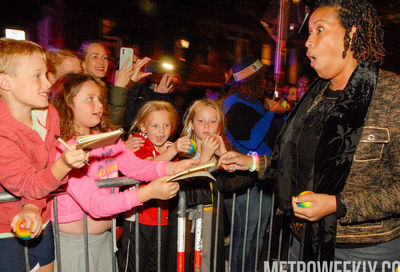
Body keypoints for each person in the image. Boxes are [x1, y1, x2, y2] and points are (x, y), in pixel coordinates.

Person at [219, 0, 400, 269]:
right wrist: (253, 163)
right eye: (309, 32)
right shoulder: (314, 98)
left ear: (349, 36)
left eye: (320, 30)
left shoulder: (392, 93)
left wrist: (337, 204)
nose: (307, 42)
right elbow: (296, 165)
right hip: (303, 243)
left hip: (366, 251)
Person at [50, 73, 197, 272]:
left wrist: (172, 167)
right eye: (90, 99)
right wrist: (147, 193)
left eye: (100, 98)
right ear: (67, 103)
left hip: (104, 239)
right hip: (73, 244)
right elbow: (95, 204)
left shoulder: (106, 138)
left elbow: (136, 167)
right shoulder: (64, 149)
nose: (100, 105)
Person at [0, 39, 88, 272]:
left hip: (41, 217)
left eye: (46, 74)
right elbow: (29, 182)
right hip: (4, 230)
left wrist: (32, 206)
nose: (48, 82)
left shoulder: (49, 114)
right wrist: (64, 164)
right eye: (37, 76)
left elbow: (46, 178)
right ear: (5, 81)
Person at [118, 100, 193, 272]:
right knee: (134, 266)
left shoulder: (168, 147)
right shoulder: (139, 142)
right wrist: (174, 149)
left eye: (166, 125)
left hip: (161, 219)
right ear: (143, 127)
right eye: (155, 126)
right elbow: (147, 168)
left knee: (156, 265)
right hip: (137, 219)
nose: (161, 131)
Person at [222, 56, 278, 272]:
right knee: (244, 237)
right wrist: (271, 112)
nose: (266, 82)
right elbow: (252, 139)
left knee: (257, 236)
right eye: (262, 78)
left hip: (262, 176)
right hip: (244, 181)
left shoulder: (255, 103)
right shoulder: (233, 104)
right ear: (255, 80)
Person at [167, 98, 227, 271]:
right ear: (191, 124)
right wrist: (204, 159)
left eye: (212, 121)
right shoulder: (183, 151)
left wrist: (224, 155)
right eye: (201, 121)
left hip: (212, 214)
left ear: (219, 126)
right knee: (187, 259)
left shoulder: (221, 151)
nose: (207, 126)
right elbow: (189, 185)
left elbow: (235, 182)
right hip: (186, 217)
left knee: (208, 259)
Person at [78, 41, 151, 126]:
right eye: (95, 57)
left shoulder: (107, 88)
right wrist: (119, 87)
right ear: (83, 63)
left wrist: (131, 83)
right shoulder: (78, 90)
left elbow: (125, 119)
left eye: (104, 57)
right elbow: (110, 125)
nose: (101, 62)